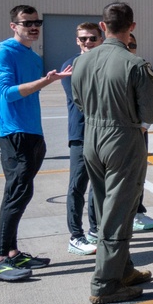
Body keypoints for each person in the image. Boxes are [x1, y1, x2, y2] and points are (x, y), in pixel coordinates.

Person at [72, 2, 153, 304]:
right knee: (119, 211)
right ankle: (105, 282)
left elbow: (79, 101)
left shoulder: (82, 62)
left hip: (92, 137)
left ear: (102, 26)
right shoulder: (134, 64)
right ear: (132, 27)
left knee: (104, 205)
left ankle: (123, 269)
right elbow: (152, 111)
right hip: (122, 137)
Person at [0, 5, 71, 281]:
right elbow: (7, 94)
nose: (33, 27)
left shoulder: (32, 56)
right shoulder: (3, 52)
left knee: (23, 193)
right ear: (14, 25)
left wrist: (47, 80)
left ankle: (12, 253)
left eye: (37, 22)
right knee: (15, 194)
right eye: (26, 23)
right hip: (14, 134)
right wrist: (44, 82)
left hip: (32, 132)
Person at [61, 22, 102, 256]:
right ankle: (75, 236)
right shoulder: (70, 66)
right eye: (83, 39)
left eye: (92, 38)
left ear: (101, 39)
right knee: (77, 185)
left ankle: (95, 230)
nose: (88, 42)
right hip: (81, 134)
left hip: (102, 134)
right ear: (77, 41)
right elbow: (84, 99)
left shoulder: (103, 63)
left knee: (99, 186)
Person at [127, 33, 153, 232]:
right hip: (118, 131)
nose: (131, 48)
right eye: (127, 44)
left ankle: (137, 213)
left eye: (134, 44)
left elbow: (150, 102)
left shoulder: (140, 67)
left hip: (138, 130)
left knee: (138, 173)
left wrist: (143, 126)